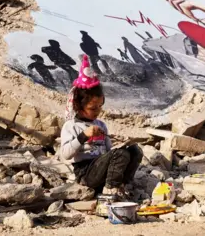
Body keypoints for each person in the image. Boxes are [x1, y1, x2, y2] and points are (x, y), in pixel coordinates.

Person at [57, 55, 143, 197]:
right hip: (86, 173)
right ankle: (110, 189)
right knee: (120, 154)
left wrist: (121, 143)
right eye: (92, 108)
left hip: (102, 168)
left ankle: (123, 183)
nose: (97, 111)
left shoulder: (100, 124)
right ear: (78, 106)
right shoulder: (71, 126)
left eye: (100, 106)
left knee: (134, 151)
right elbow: (66, 154)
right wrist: (84, 135)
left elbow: (109, 152)